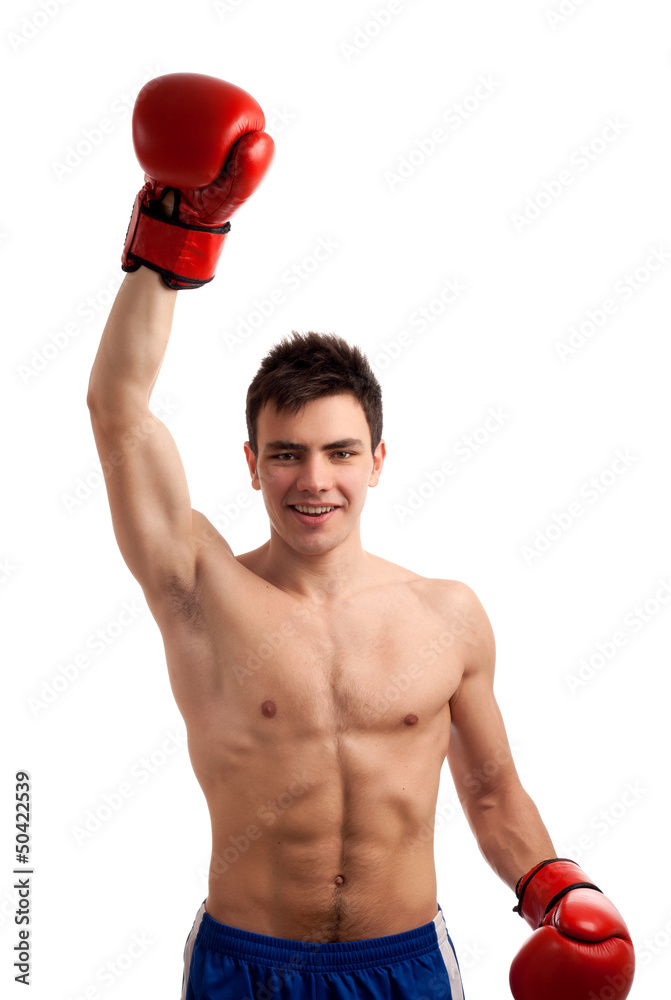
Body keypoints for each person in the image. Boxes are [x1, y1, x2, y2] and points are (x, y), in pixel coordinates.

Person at [87, 72, 635, 1000]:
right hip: (245, 967)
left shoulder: (447, 616)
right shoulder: (199, 590)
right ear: (252, 464)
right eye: (287, 454)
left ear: (377, 461)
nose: (314, 481)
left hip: (404, 968)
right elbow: (118, 408)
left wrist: (558, 891)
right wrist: (176, 233)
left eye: (339, 453)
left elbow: (492, 796)